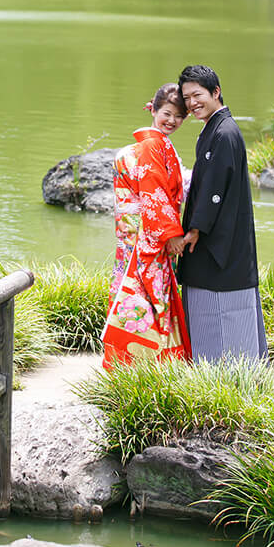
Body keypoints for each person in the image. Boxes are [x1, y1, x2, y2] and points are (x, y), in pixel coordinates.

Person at [169, 64, 268, 362]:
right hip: (220, 229)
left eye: (197, 95)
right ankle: (221, 366)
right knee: (211, 303)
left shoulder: (224, 132)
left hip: (219, 235)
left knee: (221, 303)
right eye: (186, 99)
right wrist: (160, 114)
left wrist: (196, 229)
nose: (191, 104)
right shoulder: (216, 127)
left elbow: (215, 189)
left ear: (216, 92)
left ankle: (227, 369)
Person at [102, 83, 192, 369]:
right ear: (152, 109)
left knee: (133, 292)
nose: (172, 121)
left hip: (132, 232)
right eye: (167, 113)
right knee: (149, 293)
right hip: (146, 233)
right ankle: (146, 361)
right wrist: (170, 236)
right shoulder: (153, 145)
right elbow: (154, 194)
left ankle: (128, 360)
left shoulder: (149, 145)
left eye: (179, 116)